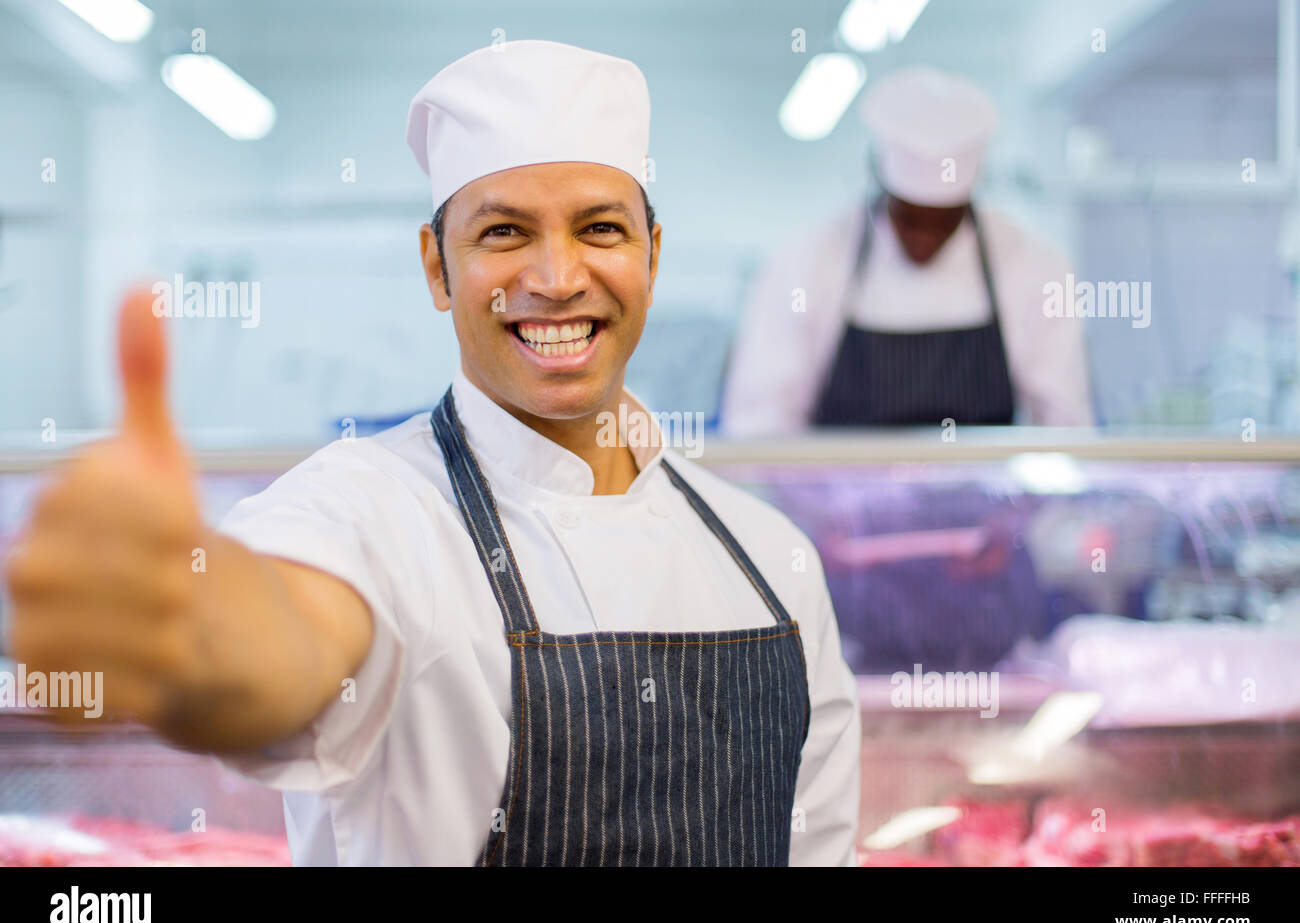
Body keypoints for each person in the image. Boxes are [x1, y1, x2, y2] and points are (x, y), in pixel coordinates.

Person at [5, 39, 861, 867]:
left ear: (652, 256)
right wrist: (184, 625)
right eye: (504, 234)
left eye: (600, 228)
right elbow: (280, 639)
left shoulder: (769, 562)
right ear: (438, 268)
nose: (558, 277)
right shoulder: (370, 509)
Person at [721, 66, 1093, 432]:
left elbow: (1065, 422)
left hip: (982, 493)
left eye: (944, 222)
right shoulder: (809, 260)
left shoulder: (1033, 264)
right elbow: (760, 422)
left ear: (967, 205)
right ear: (883, 191)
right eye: (909, 219)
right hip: (834, 492)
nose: (923, 240)